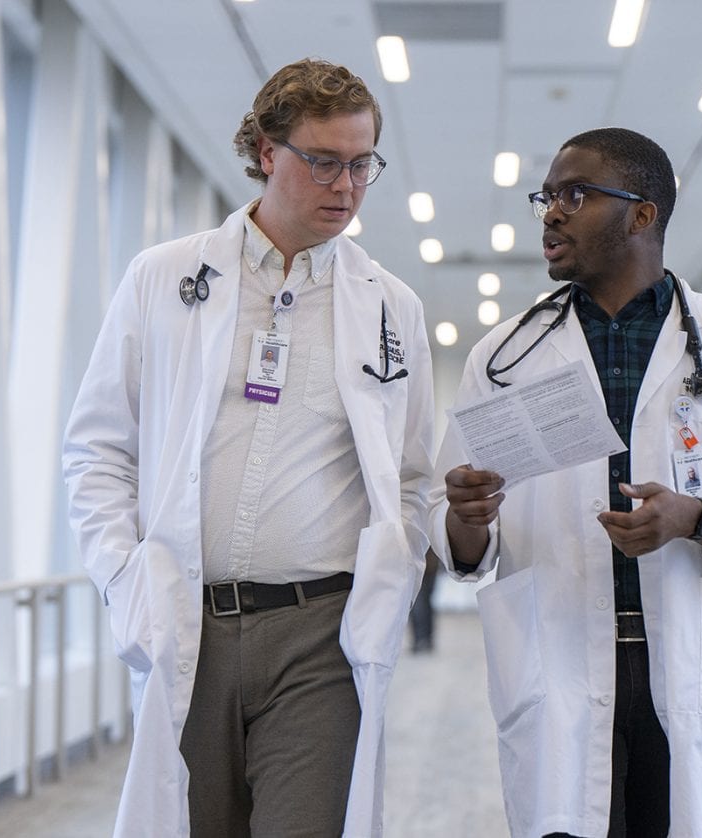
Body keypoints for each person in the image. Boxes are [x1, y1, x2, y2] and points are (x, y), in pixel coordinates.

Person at [63, 58, 434, 838]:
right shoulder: (164, 278)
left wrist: (396, 577)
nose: (346, 186)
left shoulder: (391, 306)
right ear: (268, 153)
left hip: (321, 635)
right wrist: (121, 576)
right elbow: (98, 450)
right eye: (323, 162)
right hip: (186, 621)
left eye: (362, 164)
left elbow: (411, 476)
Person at [427, 127, 702, 838]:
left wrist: (695, 519)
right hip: (560, 657)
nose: (551, 212)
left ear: (642, 214)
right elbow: (456, 532)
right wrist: (468, 514)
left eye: (575, 195)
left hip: (690, 661)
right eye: (546, 197)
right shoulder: (504, 355)